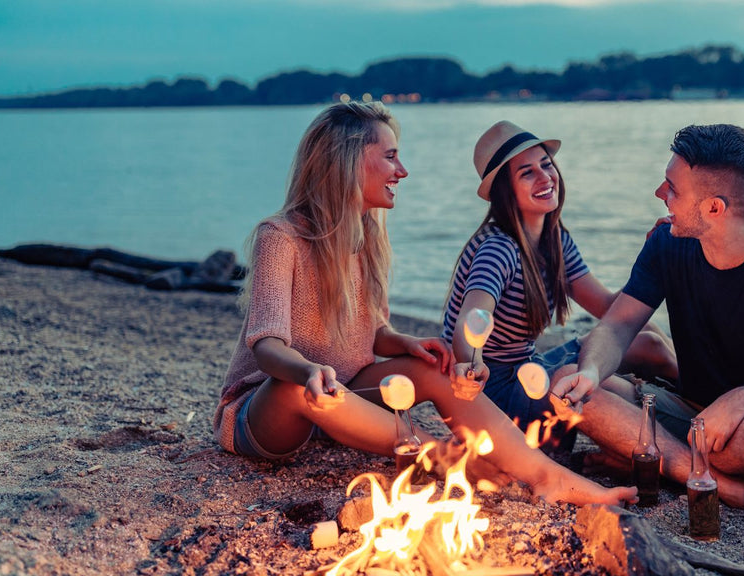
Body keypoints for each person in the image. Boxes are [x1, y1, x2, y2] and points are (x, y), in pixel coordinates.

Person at [213, 102, 635, 507]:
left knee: (437, 366)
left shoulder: (366, 238)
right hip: (268, 412)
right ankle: (439, 456)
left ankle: (548, 476)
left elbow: (373, 332)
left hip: (345, 399)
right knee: (294, 387)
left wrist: (407, 343)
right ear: (348, 161)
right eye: (391, 157)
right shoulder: (280, 236)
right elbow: (266, 346)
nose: (403, 171)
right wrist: (306, 370)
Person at [550, 123, 744, 533]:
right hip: (690, 416)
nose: (660, 194)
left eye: (672, 188)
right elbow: (615, 328)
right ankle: (736, 492)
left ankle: (655, 459)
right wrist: (591, 371)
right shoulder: (667, 244)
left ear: (714, 208)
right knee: (571, 382)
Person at [442, 120, 678, 444]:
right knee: (648, 347)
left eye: (546, 164)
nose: (545, 177)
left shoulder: (555, 242)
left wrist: (654, 255)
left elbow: (612, 310)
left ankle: (688, 401)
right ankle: (698, 404)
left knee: (648, 333)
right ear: (503, 191)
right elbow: (471, 319)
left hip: (527, 369)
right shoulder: (498, 248)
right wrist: (471, 363)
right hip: (493, 393)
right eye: (527, 173)